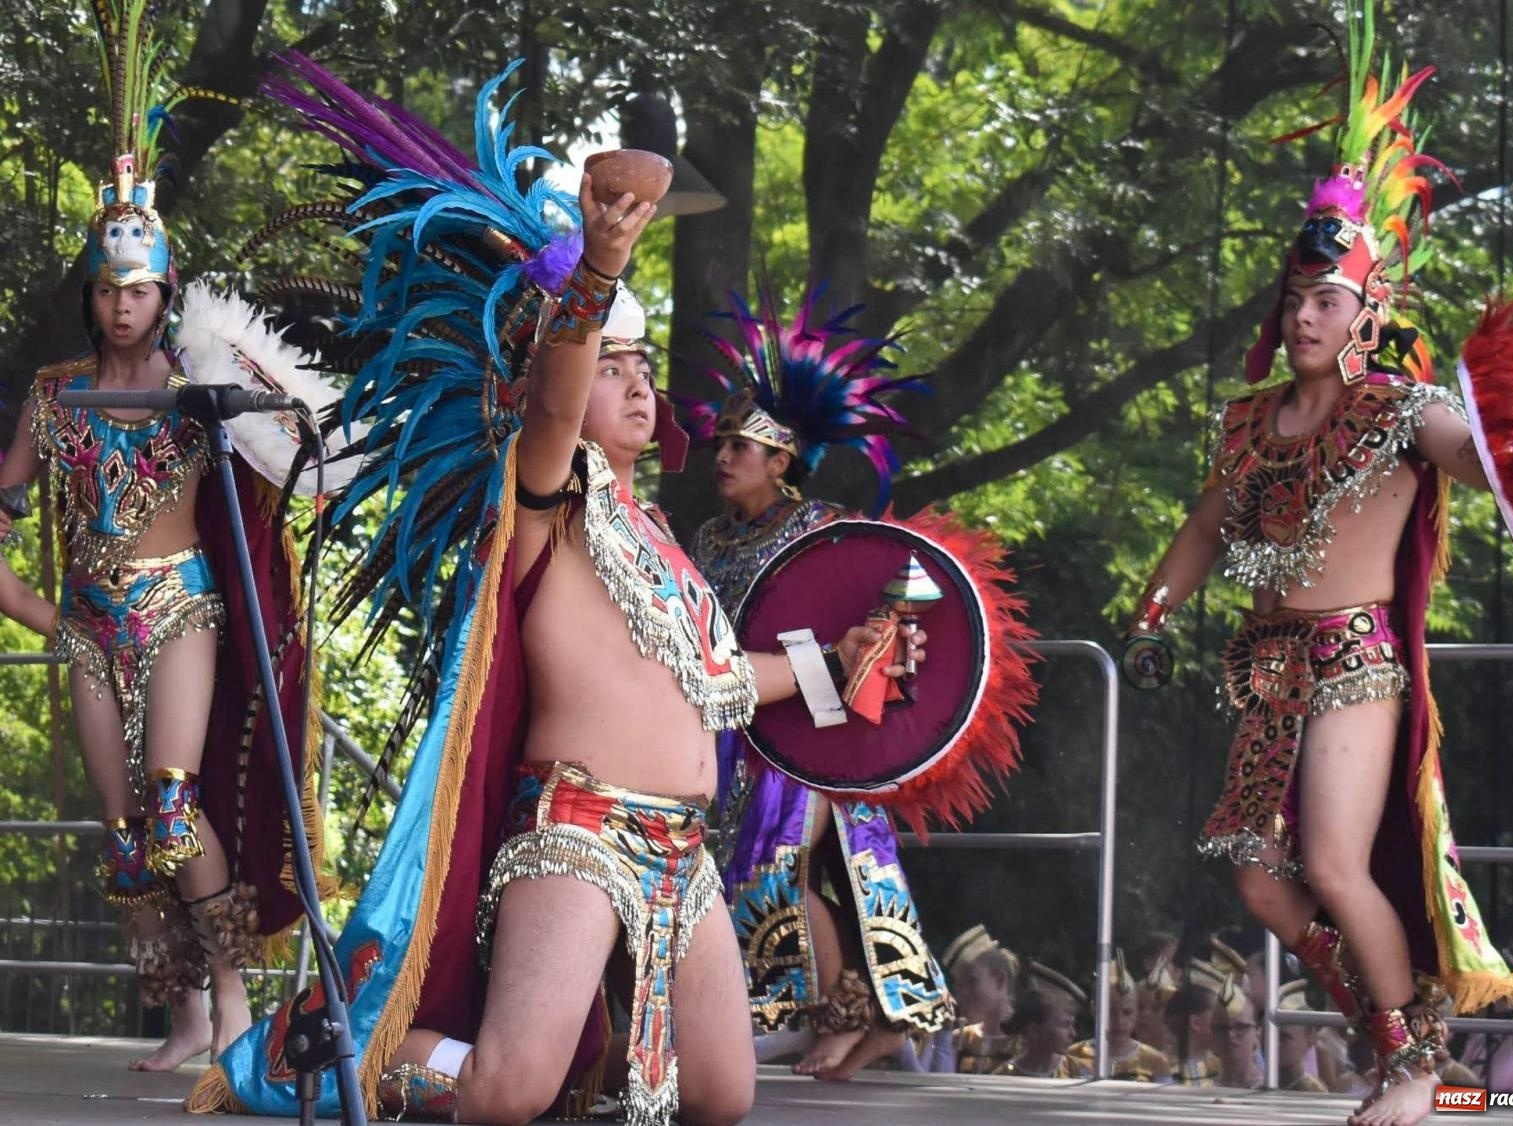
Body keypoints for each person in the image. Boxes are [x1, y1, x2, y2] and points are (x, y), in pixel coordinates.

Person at [193, 57, 930, 1126]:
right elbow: (559, 388)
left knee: (722, 1100)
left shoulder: (661, 538)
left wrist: (842, 658)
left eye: (645, 366)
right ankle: (342, 1053)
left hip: (683, 851)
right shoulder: (540, 496)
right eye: (616, 366)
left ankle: (518, 1054)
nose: (640, 383)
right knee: (507, 1092)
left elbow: (715, 680)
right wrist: (602, 261)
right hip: (578, 829)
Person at [1117, 5, 1513, 1120]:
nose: (1300, 315)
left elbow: (1481, 458)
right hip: (1266, 663)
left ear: (1366, 307)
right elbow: (1199, 531)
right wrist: (1151, 617)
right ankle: (1391, 1032)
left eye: (1324, 299)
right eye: (1292, 299)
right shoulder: (1253, 427)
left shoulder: (1401, 411)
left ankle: (1414, 1063)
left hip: (1354, 661)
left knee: (1333, 863)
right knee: (1253, 874)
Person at [0, 5, 319, 1072]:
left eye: (138, 287)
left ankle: (232, 1000)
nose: (121, 302)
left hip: (180, 606)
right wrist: (39, 609)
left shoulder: (200, 394)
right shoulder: (52, 399)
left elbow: (300, 448)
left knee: (175, 807)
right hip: (88, 623)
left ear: (162, 292)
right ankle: (179, 1015)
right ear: (90, 297)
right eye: (106, 287)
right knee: (125, 831)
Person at [681, 286, 952, 1080]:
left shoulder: (824, 527)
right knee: (774, 871)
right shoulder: (707, 536)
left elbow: (920, 584)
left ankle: (843, 1012)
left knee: (788, 867)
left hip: (817, 737)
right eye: (722, 444)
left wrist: (884, 643)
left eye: (741, 446)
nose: (724, 457)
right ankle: (857, 1013)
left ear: (781, 459)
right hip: (740, 733)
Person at [1063, 952, 1173, 1082]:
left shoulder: (1156, 1062)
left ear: (1136, 1011)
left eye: (1127, 1012)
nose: (1120, 1022)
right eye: (1110, 1012)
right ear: (1094, 1009)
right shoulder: (1072, 1055)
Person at [944, 925, 1024, 1074]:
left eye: (972, 982)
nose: (963, 995)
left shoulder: (1025, 1044)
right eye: (959, 986)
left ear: (999, 980)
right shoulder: (960, 1040)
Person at [993, 963, 1086, 1079]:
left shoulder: (1077, 1072)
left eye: (1072, 1024)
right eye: (1065, 1024)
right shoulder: (1004, 1076)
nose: (1073, 1033)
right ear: (1034, 1031)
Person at [1277, 980, 1330, 1093]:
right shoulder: (1259, 1082)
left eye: (1284, 1037)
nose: (1274, 1045)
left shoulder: (1315, 1093)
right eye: (1273, 1037)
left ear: (1310, 1040)